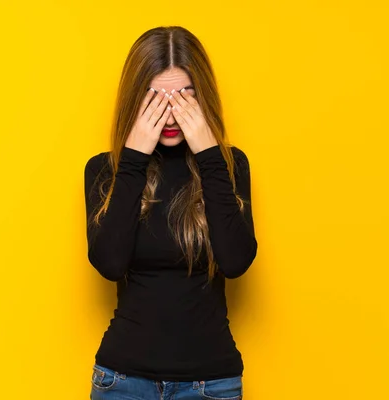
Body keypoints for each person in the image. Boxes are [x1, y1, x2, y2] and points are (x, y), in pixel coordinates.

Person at [84, 26, 257, 400]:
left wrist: (210, 155)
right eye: (157, 100)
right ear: (136, 100)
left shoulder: (228, 166)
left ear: (203, 99)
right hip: (122, 381)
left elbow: (236, 261)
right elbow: (109, 264)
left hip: (211, 383)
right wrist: (133, 160)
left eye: (184, 98)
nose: (171, 113)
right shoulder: (106, 170)